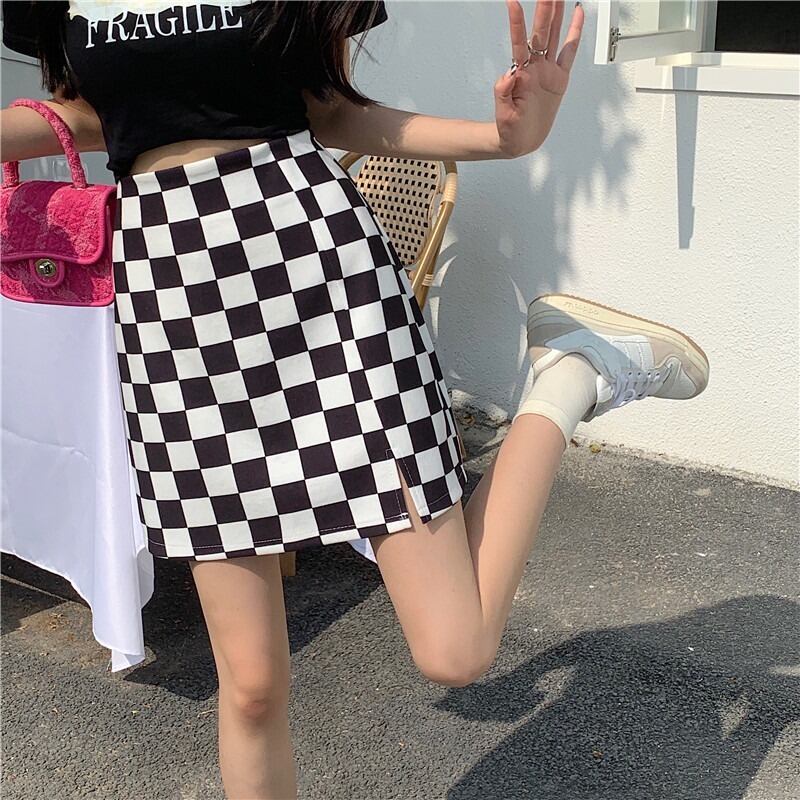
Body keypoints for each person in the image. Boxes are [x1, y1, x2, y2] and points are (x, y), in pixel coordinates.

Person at [1, 1, 709, 798]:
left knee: (457, 649)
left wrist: (505, 139)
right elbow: (95, 113)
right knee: (251, 684)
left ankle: (570, 374)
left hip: (317, 277)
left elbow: (331, 111)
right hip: (173, 305)